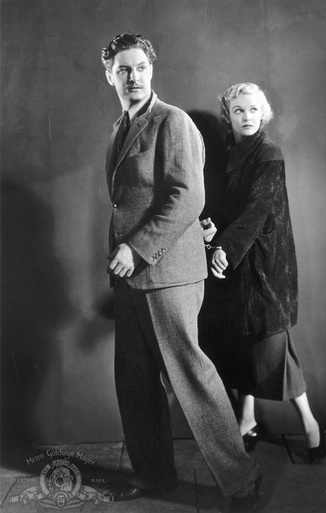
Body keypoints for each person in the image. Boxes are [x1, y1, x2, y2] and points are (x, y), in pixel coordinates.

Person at [101, 34, 262, 512]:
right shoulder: (120, 126)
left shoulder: (173, 122)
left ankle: (242, 482)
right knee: (135, 382)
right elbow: (126, 203)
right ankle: (155, 477)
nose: (133, 77)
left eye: (140, 68)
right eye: (123, 69)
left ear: (151, 70)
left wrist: (137, 249)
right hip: (130, 277)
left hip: (168, 273)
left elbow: (188, 196)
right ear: (109, 75)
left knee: (191, 378)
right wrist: (125, 260)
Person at [200, 82, 326, 463]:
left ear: (264, 113)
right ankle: (247, 420)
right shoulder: (226, 152)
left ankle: (310, 426)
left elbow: (257, 210)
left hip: (265, 263)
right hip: (235, 262)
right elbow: (220, 202)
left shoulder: (269, 153)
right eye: (239, 110)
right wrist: (210, 228)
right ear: (228, 115)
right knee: (242, 343)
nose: (247, 117)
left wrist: (224, 248)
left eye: (254, 110)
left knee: (273, 348)